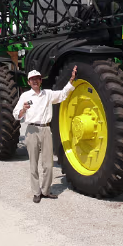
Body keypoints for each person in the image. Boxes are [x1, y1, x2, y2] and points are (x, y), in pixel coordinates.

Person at [13, 66, 77, 203]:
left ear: (41, 80)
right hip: (31, 130)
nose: (35, 81)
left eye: (37, 79)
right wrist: (23, 110)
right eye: (32, 79)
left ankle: (46, 191)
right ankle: (36, 192)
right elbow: (16, 114)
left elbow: (63, 94)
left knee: (48, 164)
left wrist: (71, 80)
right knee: (33, 164)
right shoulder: (25, 96)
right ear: (29, 82)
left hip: (46, 130)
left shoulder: (47, 94)